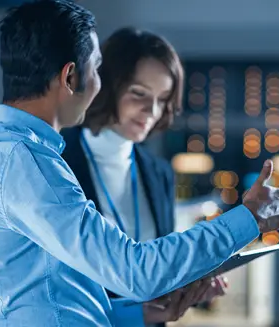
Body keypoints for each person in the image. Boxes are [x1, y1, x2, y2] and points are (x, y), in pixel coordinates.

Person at [0, 1, 279, 327]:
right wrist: (249, 217)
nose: (98, 84)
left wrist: (139, 314)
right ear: (70, 78)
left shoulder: (6, 152)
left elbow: (51, 297)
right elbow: (135, 272)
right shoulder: (23, 161)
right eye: (96, 68)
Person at [61, 27, 227, 326]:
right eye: (138, 93)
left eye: (163, 98)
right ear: (107, 86)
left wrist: (186, 286)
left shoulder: (159, 173)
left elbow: (155, 273)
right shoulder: (58, 162)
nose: (152, 110)